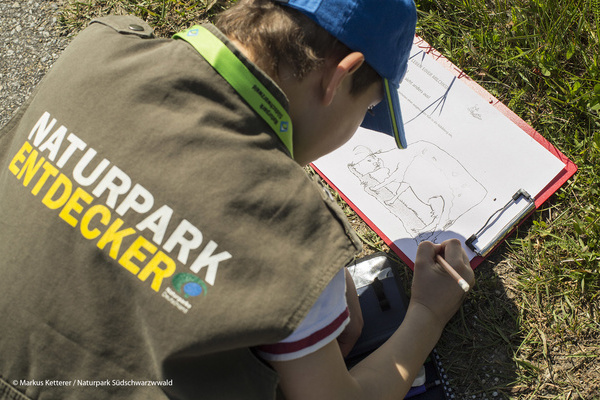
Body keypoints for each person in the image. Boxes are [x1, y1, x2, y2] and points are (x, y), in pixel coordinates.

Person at [0, 0, 474, 399]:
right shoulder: (292, 233)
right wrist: (428, 314)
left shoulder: (102, 48)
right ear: (337, 77)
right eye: (367, 109)